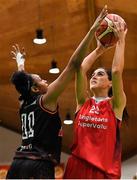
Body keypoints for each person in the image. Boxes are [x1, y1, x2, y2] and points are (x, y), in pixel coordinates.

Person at [6, 6, 108, 179]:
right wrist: (92, 30)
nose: (46, 80)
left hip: (17, 164)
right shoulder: (46, 100)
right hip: (38, 164)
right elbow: (74, 64)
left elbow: (24, 83)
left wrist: (20, 63)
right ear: (36, 89)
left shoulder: (24, 101)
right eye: (41, 79)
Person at [63, 17, 127, 179]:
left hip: (103, 173)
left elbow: (117, 71)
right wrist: (99, 49)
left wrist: (121, 41)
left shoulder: (116, 105)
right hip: (76, 168)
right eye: (93, 74)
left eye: (99, 74)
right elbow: (81, 68)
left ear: (110, 83)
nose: (93, 76)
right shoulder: (83, 102)